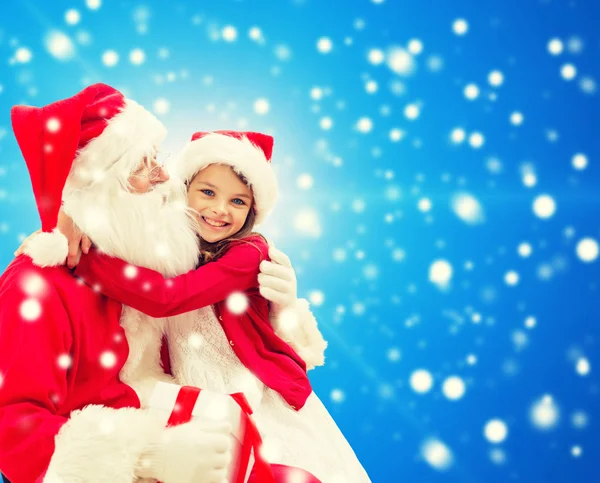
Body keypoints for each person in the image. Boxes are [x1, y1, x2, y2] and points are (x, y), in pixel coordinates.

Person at [1, 85, 321, 482]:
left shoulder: (148, 262)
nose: (165, 176)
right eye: (142, 165)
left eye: (159, 158)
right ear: (99, 185)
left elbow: (178, 310)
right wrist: (145, 459)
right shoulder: (37, 285)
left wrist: (284, 312)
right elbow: (13, 431)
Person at [67, 130, 371, 483]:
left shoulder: (248, 253)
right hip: (192, 391)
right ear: (183, 190)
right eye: (208, 192)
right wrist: (78, 221)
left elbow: (169, 298)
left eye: (238, 201)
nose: (219, 210)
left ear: (253, 211)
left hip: (252, 392)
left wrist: (85, 259)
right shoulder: (170, 241)